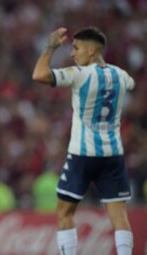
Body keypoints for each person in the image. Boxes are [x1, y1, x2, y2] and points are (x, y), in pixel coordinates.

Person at [32, 27, 135, 255]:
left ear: (90, 50)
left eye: (76, 48)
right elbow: (131, 84)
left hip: (82, 153)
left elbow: (39, 75)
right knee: (119, 216)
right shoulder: (121, 75)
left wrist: (50, 47)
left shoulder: (79, 74)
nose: (72, 54)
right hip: (113, 154)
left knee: (64, 212)